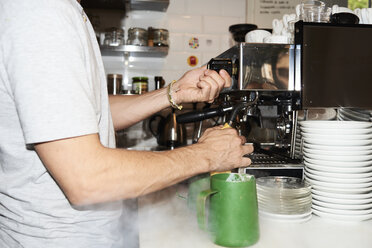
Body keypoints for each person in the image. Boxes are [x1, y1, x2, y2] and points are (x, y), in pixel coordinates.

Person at [0, 0, 253, 247]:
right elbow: (87, 179)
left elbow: (83, 113)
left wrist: (173, 93)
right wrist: (207, 155)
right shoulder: (43, 12)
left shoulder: (58, 10)